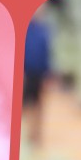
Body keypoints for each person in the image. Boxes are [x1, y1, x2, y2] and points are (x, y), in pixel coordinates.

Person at [21, 16, 52, 146]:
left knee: (38, 106)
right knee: (25, 106)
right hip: (26, 73)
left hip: (39, 74)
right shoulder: (25, 29)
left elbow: (47, 53)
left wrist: (48, 74)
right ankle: (23, 136)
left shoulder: (44, 30)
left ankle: (35, 136)